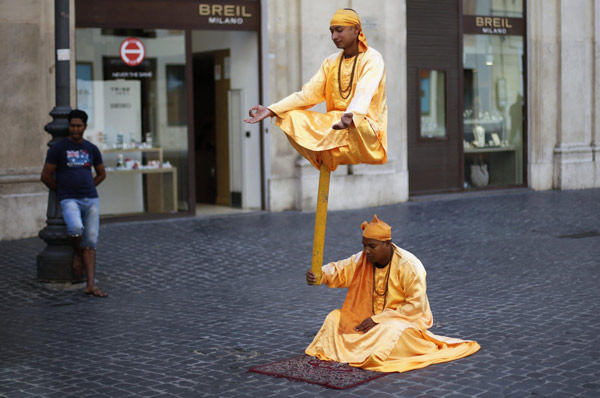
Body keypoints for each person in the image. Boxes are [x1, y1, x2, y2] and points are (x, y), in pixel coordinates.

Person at [305, 215, 480, 372]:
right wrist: (320, 274)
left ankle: (364, 353)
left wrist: (378, 319)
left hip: (403, 324)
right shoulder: (362, 259)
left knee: (390, 330)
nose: (367, 251)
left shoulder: (410, 266)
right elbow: (341, 269)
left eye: (372, 246)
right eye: (364, 246)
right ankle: (355, 352)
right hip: (366, 318)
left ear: (387, 244)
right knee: (334, 318)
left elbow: (415, 307)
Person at [244, 8, 387, 172]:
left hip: (364, 127)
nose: (334, 37)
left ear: (356, 30)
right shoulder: (331, 61)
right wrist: (272, 110)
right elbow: (307, 95)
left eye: (339, 30)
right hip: (336, 124)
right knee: (289, 116)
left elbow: (364, 91)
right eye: (332, 31)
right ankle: (325, 155)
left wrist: (352, 116)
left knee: (345, 125)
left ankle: (331, 146)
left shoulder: (372, 58)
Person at [40, 109, 107, 297]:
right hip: (69, 199)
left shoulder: (91, 148)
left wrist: (89, 186)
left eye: (78, 126)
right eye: (72, 126)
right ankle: (77, 254)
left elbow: (102, 173)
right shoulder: (58, 149)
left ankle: (91, 285)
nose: (75, 129)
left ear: (85, 127)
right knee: (76, 228)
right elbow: (45, 176)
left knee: (91, 240)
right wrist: (61, 191)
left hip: (91, 199)